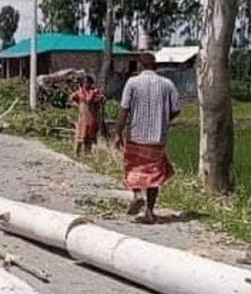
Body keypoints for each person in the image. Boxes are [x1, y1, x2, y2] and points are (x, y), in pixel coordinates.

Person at [114, 53, 180, 224]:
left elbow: (124, 109)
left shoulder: (132, 83)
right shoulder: (167, 84)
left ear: (139, 66)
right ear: (155, 66)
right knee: (153, 175)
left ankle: (137, 194)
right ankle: (149, 211)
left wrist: (118, 133)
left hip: (136, 135)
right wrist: (164, 120)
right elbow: (176, 109)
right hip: (157, 138)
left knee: (133, 167)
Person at [70, 75, 106, 156]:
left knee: (89, 137)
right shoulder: (80, 92)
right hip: (82, 118)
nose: (86, 84)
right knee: (79, 135)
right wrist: (76, 105)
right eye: (85, 82)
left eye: (88, 82)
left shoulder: (94, 92)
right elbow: (72, 98)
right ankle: (76, 153)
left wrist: (101, 101)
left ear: (91, 83)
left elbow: (102, 99)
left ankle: (87, 154)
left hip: (91, 118)